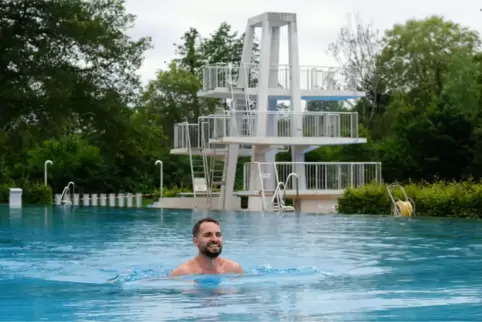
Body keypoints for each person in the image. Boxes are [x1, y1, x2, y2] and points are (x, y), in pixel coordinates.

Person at [168, 217, 244, 277]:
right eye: (208, 235)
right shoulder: (183, 273)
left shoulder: (234, 269)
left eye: (218, 235)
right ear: (195, 241)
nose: (215, 239)